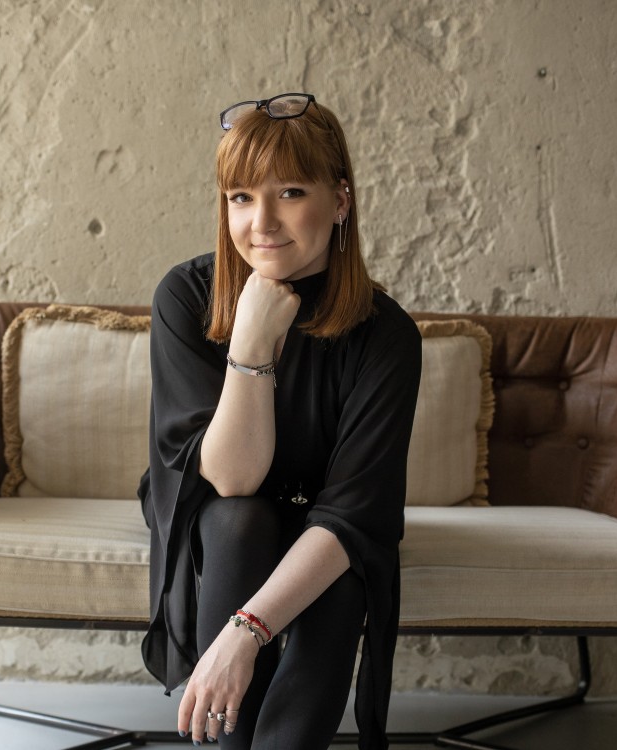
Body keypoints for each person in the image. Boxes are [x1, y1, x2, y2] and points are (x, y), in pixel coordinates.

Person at [139, 92, 421, 750]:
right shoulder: (186, 296)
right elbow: (232, 480)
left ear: (340, 200)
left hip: (331, 525)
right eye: (240, 197)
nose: (260, 222)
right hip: (216, 514)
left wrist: (244, 633)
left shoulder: (386, 337)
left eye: (290, 192)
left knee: (340, 575)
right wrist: (250, 341)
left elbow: (352, 515)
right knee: (243, 520)